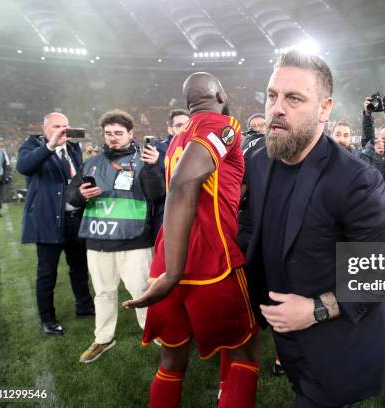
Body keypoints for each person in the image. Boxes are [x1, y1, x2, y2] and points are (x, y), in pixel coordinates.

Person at [242, 50, 385, 407]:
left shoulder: (357, 180)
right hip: (285, 337)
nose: (277, 108)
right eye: (272, 96)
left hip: (336, 342)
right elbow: (251, 224)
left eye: (294, 98)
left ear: (325, 109)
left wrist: (315, 308)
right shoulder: (259, 161)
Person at [123, 72, 259, 408]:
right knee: (244, 352)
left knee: (171, 362)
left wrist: (168, 269)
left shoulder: (181, 137)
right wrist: (175, 272)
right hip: (210, 262)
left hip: (166, 258)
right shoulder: (223, 124)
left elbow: (197, 187)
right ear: (219, 93)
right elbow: (184, 185)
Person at [64, 110, 165, 363]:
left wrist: (153, 168)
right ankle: (103, 338)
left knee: (141, 290)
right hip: (98, 240)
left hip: (135, 239)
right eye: (109, 133)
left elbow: (156, 194)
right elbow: (71, 194)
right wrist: (80, 195)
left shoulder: (144, 160)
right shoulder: (92, 162)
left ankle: (151, 331)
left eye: (118, 133)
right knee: (103, 293)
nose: (113, 138)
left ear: (131, 134)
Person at [17, 112, 95, 336]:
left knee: (80, 268)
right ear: (44, 129)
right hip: (48, 219)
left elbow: (75, 178)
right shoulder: (32, 145)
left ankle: (84, 306)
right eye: (56, 126)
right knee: (47, 272)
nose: (61, 130)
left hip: (74, 219)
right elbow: (24, 167)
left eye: (65, 126)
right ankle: (47, 319)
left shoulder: (73, 148)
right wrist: (50, 145)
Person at [152, 109, 190, 237]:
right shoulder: (158, 149)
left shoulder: (199, 146)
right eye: (179, 125)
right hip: (167, 211)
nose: (184, 128)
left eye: (187, 124)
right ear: (170, 130)